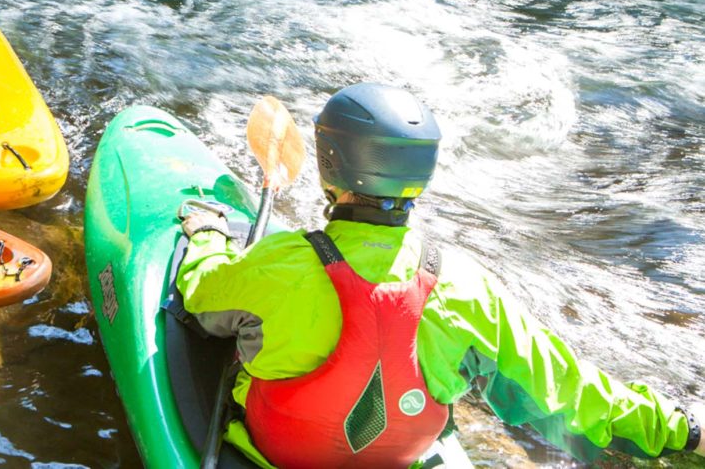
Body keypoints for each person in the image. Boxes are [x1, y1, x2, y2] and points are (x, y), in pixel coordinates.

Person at [177, 83, 703, 468]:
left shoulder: (283, 262)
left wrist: (207, 236)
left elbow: (202, 299)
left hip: (275, 456)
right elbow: (565, 384)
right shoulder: (466, 283)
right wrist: (686, 430)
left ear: (330, 164)